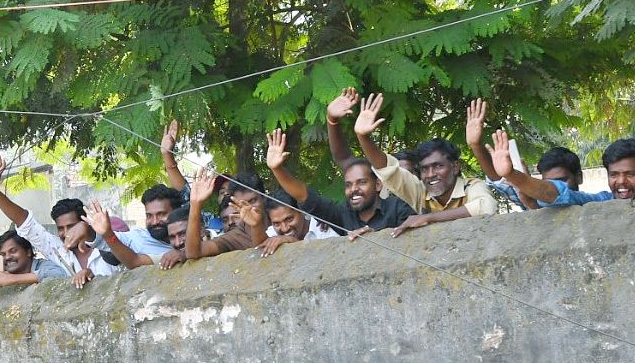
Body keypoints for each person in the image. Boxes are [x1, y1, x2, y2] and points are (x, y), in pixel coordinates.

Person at [354, 92, 497, 236]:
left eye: (438, 166)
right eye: (424, 169)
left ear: (455, 167)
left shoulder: (471, 186)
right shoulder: (420, 192)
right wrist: (363, 137)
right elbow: (387, 169)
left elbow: (487, 206)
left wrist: (428, 217)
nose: (430, 174)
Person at [0, 154, 120, 289]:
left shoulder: (106, 246)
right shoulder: (58, 250)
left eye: (71, 227)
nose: (66, 233)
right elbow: (24, 222)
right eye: (61, 228)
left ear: (85, 223)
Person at [262, 128, 415, 238]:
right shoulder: (342, 214)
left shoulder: (398, 208)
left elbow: (413, 242)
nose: (354, 189)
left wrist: (377, 237)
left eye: (361, 182)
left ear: (378, 185)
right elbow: (304, 196)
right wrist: (277, 169)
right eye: (348, 185)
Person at [486, 130, 635, 207]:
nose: (621, 181)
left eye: (630, 174)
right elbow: (556, 194)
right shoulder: (601, 201)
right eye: (614, 175)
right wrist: (511, 175)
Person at [81, 184, 180, 269]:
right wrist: (87, 231)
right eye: (149, 216)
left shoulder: (190, 241)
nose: (154, 222)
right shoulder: (138, 237)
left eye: (161, 214)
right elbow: (104, 240)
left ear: (176, 212)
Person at [185, 168, 270, 261]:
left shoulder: (282, 219)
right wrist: (195, 204)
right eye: (242, 204)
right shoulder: (236, 236)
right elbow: (193, 252)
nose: (248, 207)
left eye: (253, 201)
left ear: (264, 198)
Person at [258, 189, 342, 257]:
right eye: (276, 223)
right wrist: (255, 225)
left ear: (302, 211)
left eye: (289, 219)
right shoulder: (273, 234)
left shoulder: (323, 229)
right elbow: (259, 249)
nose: (284, 228)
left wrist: (293, 242)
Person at [0, 230, 71, 287]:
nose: (7, 257)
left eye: (13, 251)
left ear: (28, 252)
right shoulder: (2, 274)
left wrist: (13, 279)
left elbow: (59, 274)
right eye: (2, 254)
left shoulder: (42, 266)